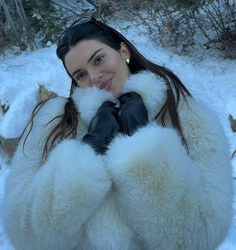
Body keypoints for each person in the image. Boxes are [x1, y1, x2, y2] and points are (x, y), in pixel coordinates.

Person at [3, 16, 233, 250]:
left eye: (99, 59)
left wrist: (142, 146)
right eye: (80, 75)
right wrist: (88, 152)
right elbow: (24, 236)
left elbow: (205, 234)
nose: (94, 77)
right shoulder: (53, 122)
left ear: (123, 51)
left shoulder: (187, 116)